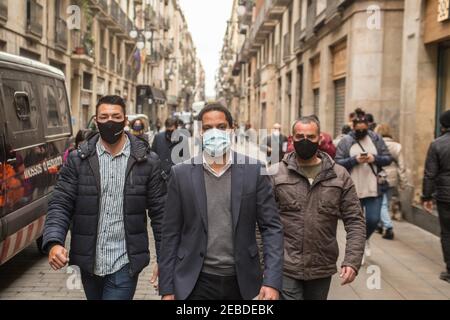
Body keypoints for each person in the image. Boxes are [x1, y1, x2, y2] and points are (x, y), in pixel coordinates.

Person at [42, 95, 166, 300]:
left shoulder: (147, 162)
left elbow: (161, 214)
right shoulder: (77, 160)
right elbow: (61, 202)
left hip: (125, 262)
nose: (110, 121)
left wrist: (164, 260)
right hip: (89, 262)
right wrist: (54, 241)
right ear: (96, 120)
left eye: (116, 116)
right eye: (104, 116)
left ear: (125, 120)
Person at [158, 103, 283, 300]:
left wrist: (272, 280)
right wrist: (167, 288)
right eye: (208, 128)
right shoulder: (181, 173)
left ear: (232, 130)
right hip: (195, 281)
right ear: (200, 132)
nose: (214, 133)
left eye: (222, 127)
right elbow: (170, 233)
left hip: (243, 282)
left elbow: (271, 228)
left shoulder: (254, 171)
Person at [270, 116, 365, 300]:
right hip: (285, 264)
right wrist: (264, 263)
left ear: (320, 138)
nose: (305, 141)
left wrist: (352, 261)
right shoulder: (275, 173)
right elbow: (263, 223)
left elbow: (355, 220)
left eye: (310, 137)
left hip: (321, 266)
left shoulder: (339, 175)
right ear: (292, 138)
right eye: (299, 136)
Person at [335, 113, 392, 261]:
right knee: (355, 223)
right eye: (358, 130)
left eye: (364, 129)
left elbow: (388, 158)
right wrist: (354, 160)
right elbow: (338, 163)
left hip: (374, 187)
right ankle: (358, 250)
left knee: (373, 219)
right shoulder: (346, 141)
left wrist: (374, 158)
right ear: (353, 127)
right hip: (352, 189)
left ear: (368, 127)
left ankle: (364, 239)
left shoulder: (375, 138)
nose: (362, 132)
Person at [422, 110, 450, 283]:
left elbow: (430, 174)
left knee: (447, 233)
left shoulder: (437, 144)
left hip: (445, 196)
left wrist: (426, 196)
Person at [374, 124, 408, 240]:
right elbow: (402, 166)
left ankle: (388, 227)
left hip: (379, 175)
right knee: (386, 202)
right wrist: (403, 182)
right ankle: (380, 224)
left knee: (381, 203)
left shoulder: (376, 144)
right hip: (392, 176)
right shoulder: (397, 146)